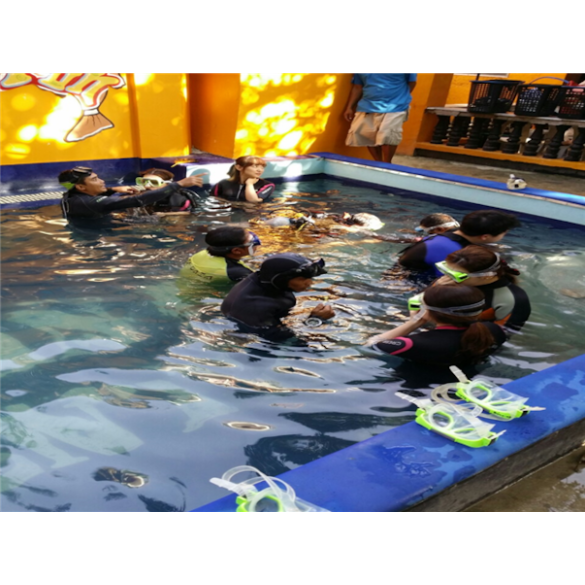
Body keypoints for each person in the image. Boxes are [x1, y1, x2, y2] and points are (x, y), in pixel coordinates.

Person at [365, 285, 507, 368]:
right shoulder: (494, 330)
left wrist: (414, 322)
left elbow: (371, 345)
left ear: (427, 311)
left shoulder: (411, 344)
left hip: (416, 386)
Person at [221, 254, 335, 341]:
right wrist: (315, 320)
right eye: (302, 279)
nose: (310, 283)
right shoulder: (256, 306)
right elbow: (282, 340)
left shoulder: (264, 280)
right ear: (281, 279)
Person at [398, 209, 521, 279]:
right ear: (485, 237)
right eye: (504, 233)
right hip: (403, 283)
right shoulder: (450, 250)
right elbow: (447, 283)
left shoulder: (450, 235)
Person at [435, 246, 531, 332]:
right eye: (445, 269)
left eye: (456, 275)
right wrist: (436, 290)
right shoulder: (446, 283)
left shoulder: (512, 300)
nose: (447, 277)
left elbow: (501, 335)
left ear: (486, 276)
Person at [58, 167, 205, 219]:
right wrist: (179, 184)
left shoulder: (72, 196)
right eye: (95, 180)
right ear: (81, 187)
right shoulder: (88, 203)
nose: (102, 181)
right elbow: (136, 201)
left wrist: (113, 189)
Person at [344, 73, 418, 164]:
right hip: (367, 105)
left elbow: (412, 83)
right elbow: (357, 87)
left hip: (395, 106)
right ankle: (378, 163)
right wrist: (349, 107)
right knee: (367, 135)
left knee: (387, 136)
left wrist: (401, 97)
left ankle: (387, 164)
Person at [180, 227, 260, 284]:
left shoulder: (202, 253)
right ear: (236, 251)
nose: (257, 244)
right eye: (253, 242)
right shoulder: (239, 272)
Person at [134, 168, 201, 213]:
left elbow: (184, 216)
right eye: (143, 181)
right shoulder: (141, 195)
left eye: (154, 182)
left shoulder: (177, 199)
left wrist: (165, 215)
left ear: (167, 184)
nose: (147, 186)